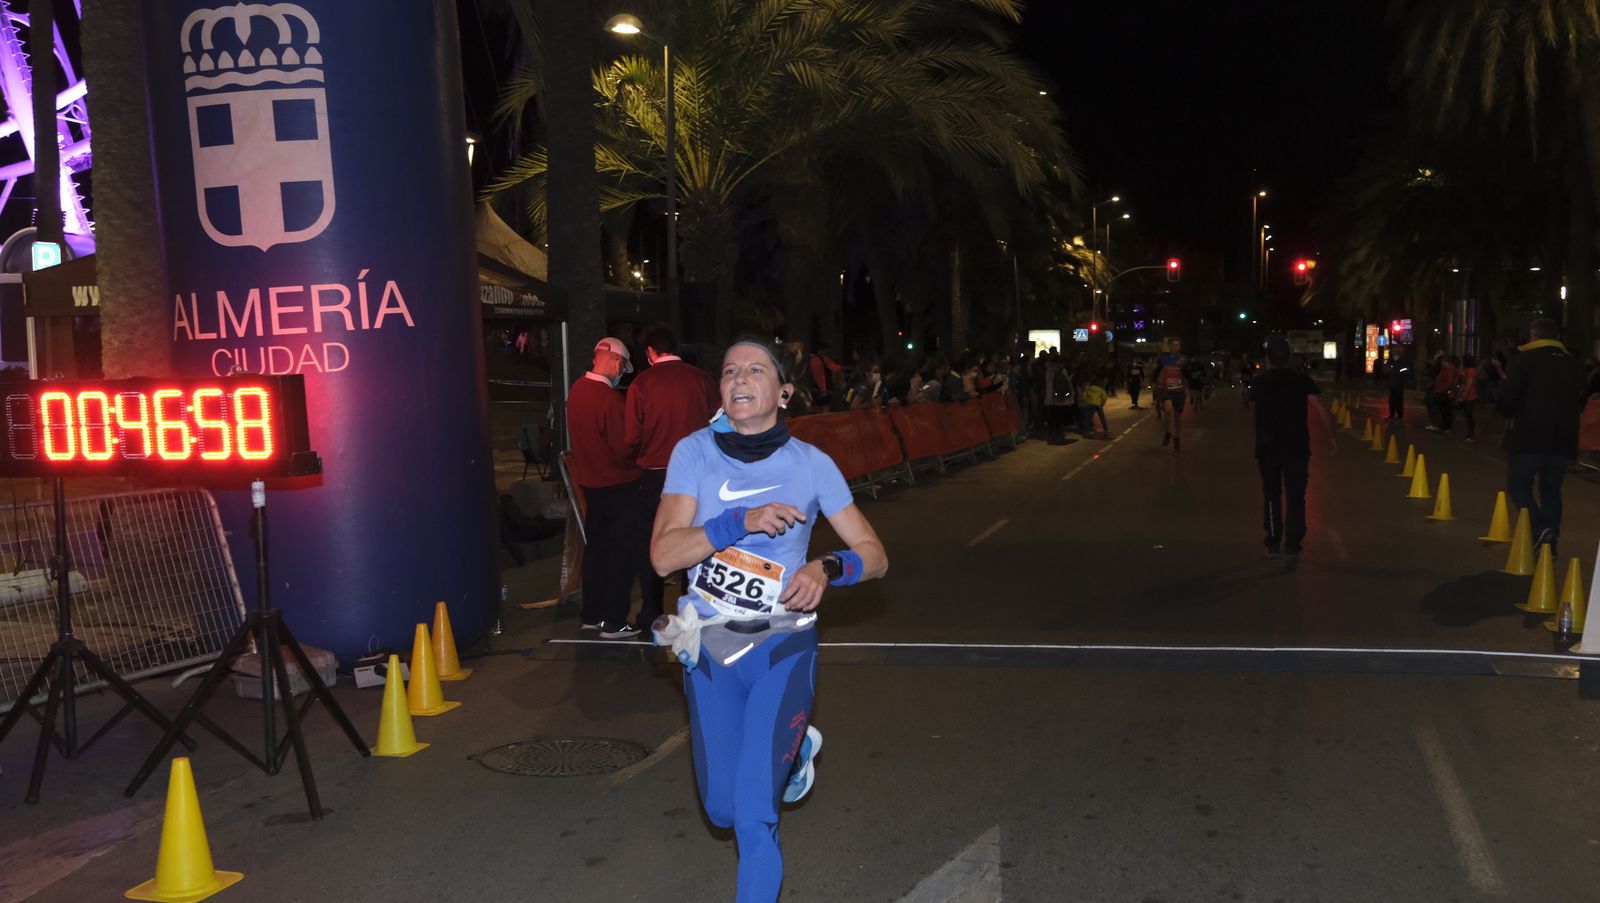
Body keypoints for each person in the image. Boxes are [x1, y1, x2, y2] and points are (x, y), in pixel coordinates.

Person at [650, 340, 888, 903]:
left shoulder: (811, 464)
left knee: (755, 813)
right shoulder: (694, 454)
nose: (739, 378)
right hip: (709, 648)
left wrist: (829, 566)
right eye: (729, 370)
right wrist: (739, 522)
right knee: (722, 808)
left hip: (783, 645)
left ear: (782, 391)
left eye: (755, 369)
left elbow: (875, 556)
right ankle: (798, 748)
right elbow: (663, 556)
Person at [625, 325, 721, 629]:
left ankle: (651, 610)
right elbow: (719, 422)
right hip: (698, 475)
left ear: (651, 352)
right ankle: (690, 603)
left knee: (652, 541)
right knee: (695, 538)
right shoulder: (701, 379)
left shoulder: (641, 384)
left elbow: (631, 436)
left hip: (655, 475)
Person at [567, 337, 643, 638]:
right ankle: (615, 621)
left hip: (591, 482)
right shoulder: (609, 399)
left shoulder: (577, 391)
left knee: (596, 551)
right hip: (619, 484)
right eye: (623, 366)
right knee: (621, 554)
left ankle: (591, 615)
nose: (623, 373)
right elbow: (624, 447)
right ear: (614, 362)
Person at [1497, 319, 1587, 554]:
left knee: (1518, 485)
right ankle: (1549, 539)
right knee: (1551, 489)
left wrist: (1506, 412)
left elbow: (1508, 396)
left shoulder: (1524, 360)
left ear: (1533, 336)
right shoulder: (1574, 364)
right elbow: (1580, 402)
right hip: (1563, 439)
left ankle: (1539, 530)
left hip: (1530, 435)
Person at [1251, 335, 1336, 564]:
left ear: (1268, 359)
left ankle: (1272, 540)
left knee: (1271, 496)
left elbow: (1249, 400)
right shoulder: (1302, 380)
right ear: (1290, 358)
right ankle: (1293, 544)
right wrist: (1331, 437)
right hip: (1297, 447)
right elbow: (1320, 409)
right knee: (1296, 497)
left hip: (1268, 448)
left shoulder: (1260, 381)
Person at [1154, 340, 1186, 450]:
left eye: (1177, 345)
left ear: (1180, 347)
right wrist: (1155, 383)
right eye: (1173, 345)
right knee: (1167, 410)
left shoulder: (1183, 360)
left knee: (1177, 418)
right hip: (1166, 390)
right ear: (1170, 347)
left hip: (1179, 391)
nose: (1175, 347)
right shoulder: (1164, 359)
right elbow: (1156, 372)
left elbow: (1188, 375)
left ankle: (1177, 438)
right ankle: (1167, 433)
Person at [1428, 354, 1460, 431]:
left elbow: (1449, 382)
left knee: (1446, 411)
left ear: (1449, 363)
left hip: (1444, 393)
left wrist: (1441, 390)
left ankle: (1446, 426)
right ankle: (1443, 425)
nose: (1442, 363)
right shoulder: (1445, 370)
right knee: (1443, 410)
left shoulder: (1450, 370)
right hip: (1441, 392)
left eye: (1444, 362)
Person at [1458, 354, 1480, 442]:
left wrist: (1463, 396)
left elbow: (1469, 384)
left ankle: (1471, 435)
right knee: (1468, 416)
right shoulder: (1468, 370)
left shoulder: (1471, 371)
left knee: (1469, 416)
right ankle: (1470, 434)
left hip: (1470, 396)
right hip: (1469, 395)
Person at [1386, 353, 1409, 420]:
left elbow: (1404, 374)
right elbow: (1388, 373)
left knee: (1399, 401)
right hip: (1393, 385)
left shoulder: (1402, 364)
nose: (1395, 357)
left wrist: (1401, 382)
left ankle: (1399, 415)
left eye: (1396, 356)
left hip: (1399, 386)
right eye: (1394, 356)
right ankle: (1392, 414)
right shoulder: (1392, 364)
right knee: (1391, 400)